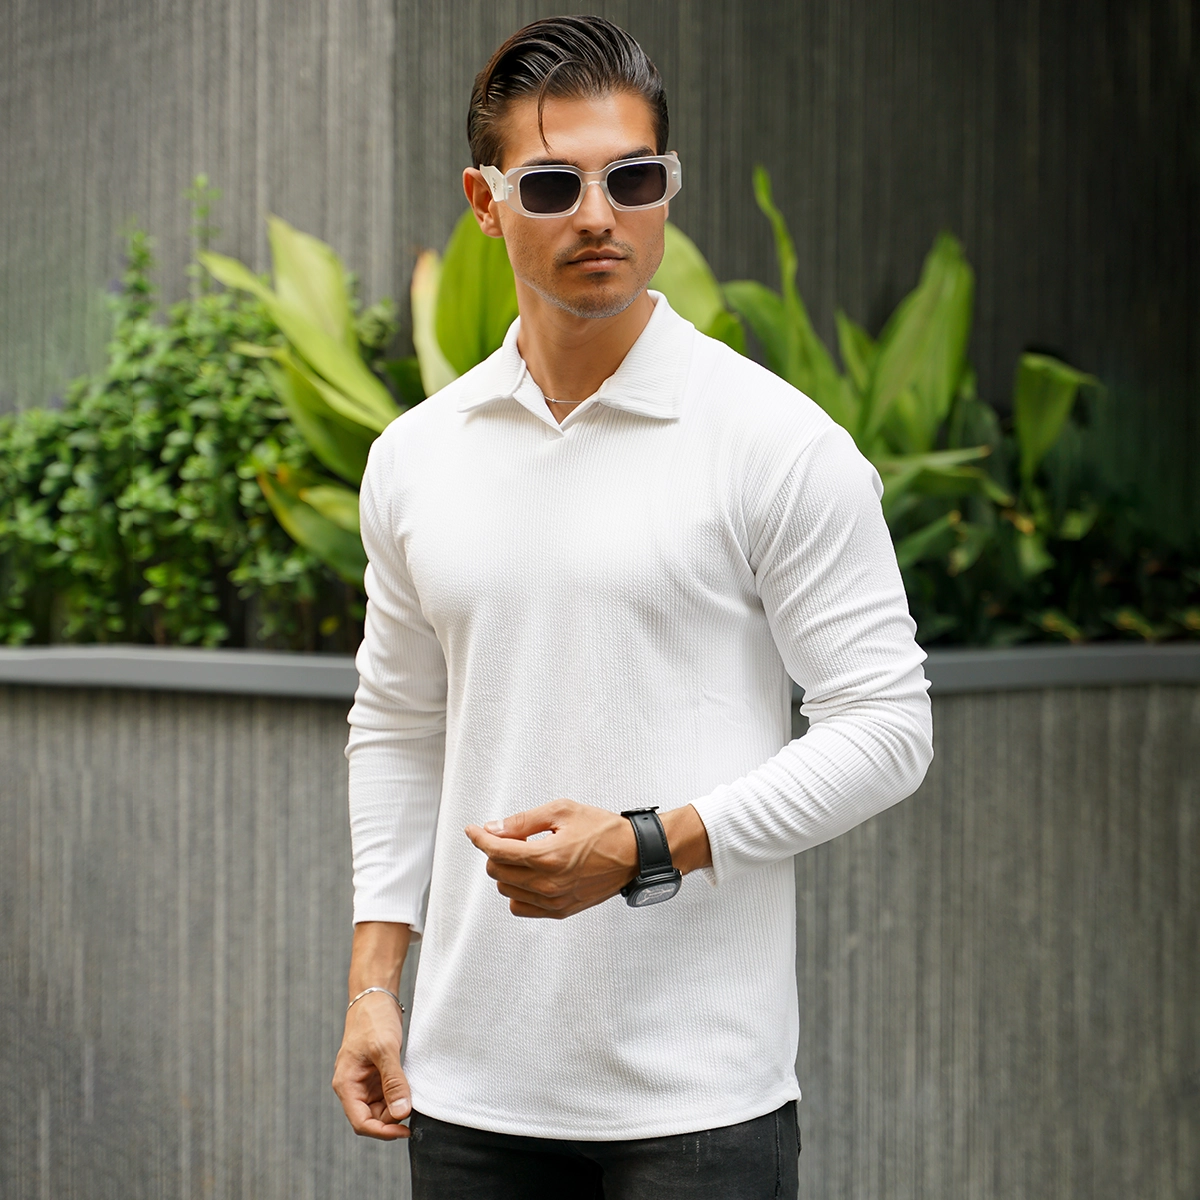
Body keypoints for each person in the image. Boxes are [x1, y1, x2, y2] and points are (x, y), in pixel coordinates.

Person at [332, 14, 933, 1198]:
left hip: (698, 1107)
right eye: (553, 184)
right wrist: (371, 988)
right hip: (467, 1092)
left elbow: (887, 728)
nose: (599, 215)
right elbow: (398, 723)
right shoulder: (416, 457)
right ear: (485, 202)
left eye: (634, 178)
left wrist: (648, 845)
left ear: (669, 188)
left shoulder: (776, 444)